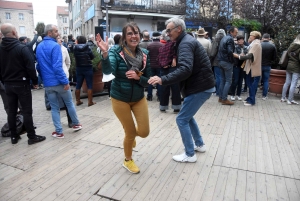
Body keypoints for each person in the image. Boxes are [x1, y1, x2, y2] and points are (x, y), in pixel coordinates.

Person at [148, 17, 215, 163]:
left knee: (181, 119)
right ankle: (200, 144)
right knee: (187, 116)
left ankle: (190, 154)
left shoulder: (185, 44)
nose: (167, 33)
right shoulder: (184, 41)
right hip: (201, 86)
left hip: (200, 87)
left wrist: (162, 79)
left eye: (169, 30)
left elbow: (185, 69)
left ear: (179, 29)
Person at [96, 22, 151, 174]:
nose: (134, 36)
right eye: (129, 33)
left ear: (140, 35)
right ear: (125, 37)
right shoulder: (115, 51)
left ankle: (131, 135)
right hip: (120, 98)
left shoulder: (145, 54)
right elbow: (108, 73)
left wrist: (138, 77)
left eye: (136, 33)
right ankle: (128, 160)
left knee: (145, 132)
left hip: (139, 97)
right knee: (131, 133)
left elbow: (149, 79)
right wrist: (105, 54)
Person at [0, 23, 46, 145]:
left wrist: (4, 80)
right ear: (14, 32)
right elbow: (30, 67)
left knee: (12, 111)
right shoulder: (21, 48)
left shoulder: (1, 48)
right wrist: (35, 81)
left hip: (8, 85)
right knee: (26, 111)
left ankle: (14, 136)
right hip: (22, 83)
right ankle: (31, 136)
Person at [36, 24, 82, 139]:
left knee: (54, 107)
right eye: (56, 31)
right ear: (49, 33)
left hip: (48, 84)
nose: (59, 33)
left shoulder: (39, 47)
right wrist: (65, 82)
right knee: (69, 103)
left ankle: (59, 131)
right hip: (59, 82)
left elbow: (38, 67)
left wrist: (44, 79)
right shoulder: (56, 46)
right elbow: (57, 67)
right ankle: (76, 124)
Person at [234, 31, 262, 106]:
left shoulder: (256, 44)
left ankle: (252, 100)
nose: (249, 37)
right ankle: (250, 98)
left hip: (252, 67)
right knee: (250, 83)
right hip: (252, 67)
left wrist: (238, 56)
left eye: (251, 36)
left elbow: (250, 55)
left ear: (254, 37)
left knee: (251, 84)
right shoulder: (254, 44)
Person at [217, 26, 238, 105]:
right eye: (236, 32)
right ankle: (224, 99)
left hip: (220, 61)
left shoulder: (224, 38)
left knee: (223, 80)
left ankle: (220, 97)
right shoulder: (230, 39)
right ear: (231, 32)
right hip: (227, 62)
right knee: (228, 81)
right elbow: (230, 51)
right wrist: (233, 60)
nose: (236, 34)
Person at [73, 36, 96, 106]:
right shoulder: (87, 47)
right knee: (89, 84)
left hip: (79, 67)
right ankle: (90, 101)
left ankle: (78, 100)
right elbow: (92, 56)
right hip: (88, 67)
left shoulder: (75, 48)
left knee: (78, 84)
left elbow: (74, 56)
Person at [281, 34, 300, 105]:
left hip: (289, 66)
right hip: (296, 67)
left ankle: (283, 98)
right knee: (293, 84)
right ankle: (290, 99)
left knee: (287, 82)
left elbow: (288, 55)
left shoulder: (291, 46)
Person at [146, 31, 163, 101]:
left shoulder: (149, 46)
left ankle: (149, 96)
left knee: (150, 81)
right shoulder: (162, 45)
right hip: (159, 66)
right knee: (159, 81)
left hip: (151, 66)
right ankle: (159, 96)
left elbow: (147, 56)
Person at [230, 35, 248, 101]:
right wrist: (240, 55)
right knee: (235, 80)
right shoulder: (235, 47)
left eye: (242, 40)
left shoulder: (246, 47)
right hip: (236, 65)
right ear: (237, 41)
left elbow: (248, 55)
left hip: (243, 66)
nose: (241, 41)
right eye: (239, 40)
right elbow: (234, 55)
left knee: (240, 81)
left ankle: (238, 94)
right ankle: (232, 94)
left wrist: (244, 56)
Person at [209, 29, 226, 96]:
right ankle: (222, 92)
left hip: (216, 61)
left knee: (217, 77)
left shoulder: (216, 40)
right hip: (224, 61)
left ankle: (218, 92)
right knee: (222, 77)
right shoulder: (225, 40)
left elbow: (212, 53)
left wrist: (210, 59)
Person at [261, 33, 277, 100]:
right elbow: (274, 57)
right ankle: (264, 95)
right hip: (268, 65)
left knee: (256, 80)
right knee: (266, 80)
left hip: (259, 65)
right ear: (269, 38)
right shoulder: (273, 46)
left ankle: (253, 94)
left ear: (263, 38)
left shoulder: (259, 45)